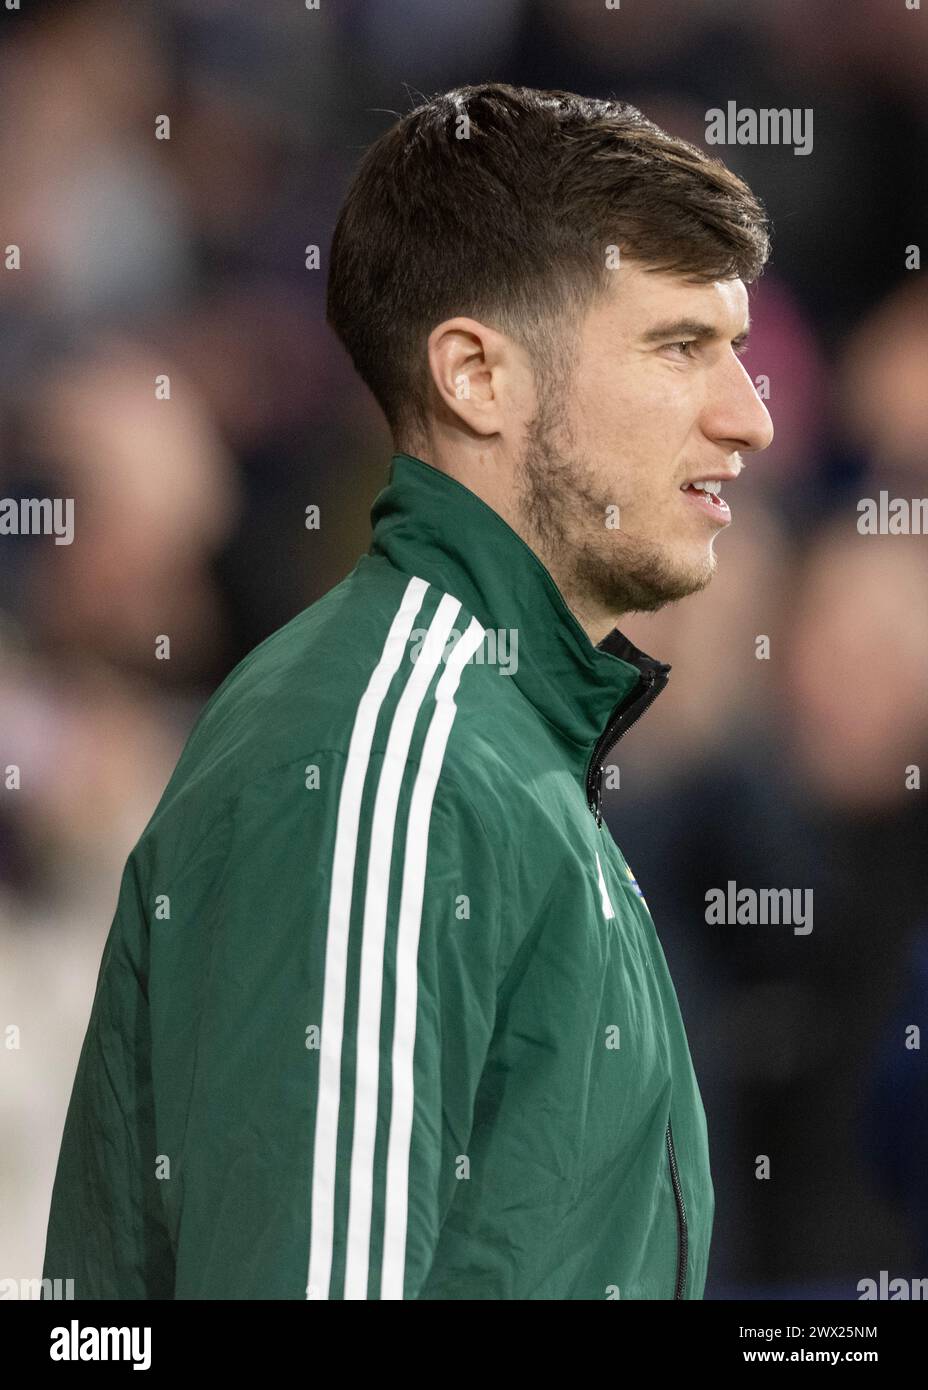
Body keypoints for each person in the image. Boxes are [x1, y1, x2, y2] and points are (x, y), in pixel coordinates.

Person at [42, 82, 774, 1300]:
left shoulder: (488, 740)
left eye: (736, 350)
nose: (747, 417)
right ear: (477, 377)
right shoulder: (387, 758)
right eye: (678, 345)